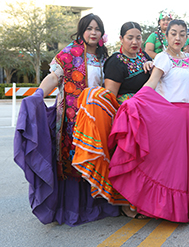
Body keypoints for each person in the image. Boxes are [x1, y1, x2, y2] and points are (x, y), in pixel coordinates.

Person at [14, 13, 120, 226]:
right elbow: (54, 77)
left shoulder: (104, 58)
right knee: (72, 161)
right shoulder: (68, 54)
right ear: (82, 31)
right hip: (72, 120)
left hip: (96, 120)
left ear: (101, 33)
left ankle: (96, 204)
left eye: (97, 29)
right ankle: (73, 209)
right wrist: (38, 94)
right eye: (89, 28)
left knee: (93, 156)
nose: (93, 32)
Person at [108, 19, 189, 223]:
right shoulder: (162, 58)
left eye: (182, 33)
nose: (178, 37)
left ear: (186, 37)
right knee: (166, 167)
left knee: (181, 167)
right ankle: (157, 207)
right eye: (173, 33)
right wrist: (134, 103)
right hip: (170, 116)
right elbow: (151, 83)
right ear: (165, 36)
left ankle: (180, 209)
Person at [71, 21, 153, 219]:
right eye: (130, 37)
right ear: (121, 39)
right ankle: (125, 202)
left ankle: (147, 198)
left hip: (147, 111)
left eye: (138, 37)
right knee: (130, 159)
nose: (135, 42)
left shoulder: (145, 57)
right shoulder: (116, 61)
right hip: (126, 115)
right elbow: (110, 97)